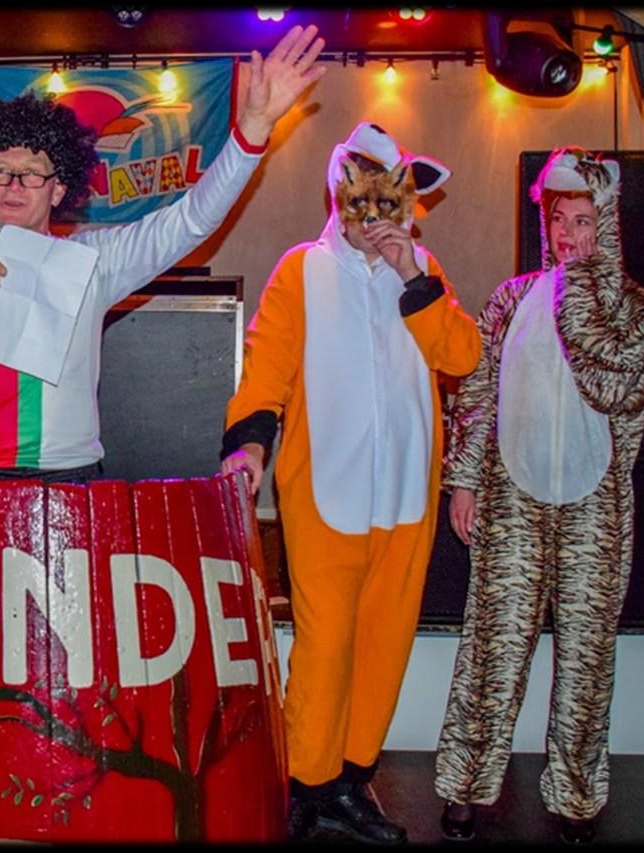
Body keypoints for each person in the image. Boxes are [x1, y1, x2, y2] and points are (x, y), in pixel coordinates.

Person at [0, 25, 326, 483]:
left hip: (68, 479)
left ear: (57, 190)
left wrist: (254, 128)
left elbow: (191, 220)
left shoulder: (93, 261)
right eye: (0, 172)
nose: (14, 185)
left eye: (32, 173)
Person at [220, 122, 481, 842]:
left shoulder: (421, 271)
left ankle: (348, 780)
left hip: (404, 495)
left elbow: (462, 356)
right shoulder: (301, 270)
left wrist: (414, 278)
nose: (373, 220)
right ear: (340, 194)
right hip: (326, 491)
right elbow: (266, 369)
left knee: (384, 642)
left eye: (387, 204)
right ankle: (304, 784)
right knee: (326, 642)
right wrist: (247, 448)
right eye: (361, 203)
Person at [433, 148, 644, 845]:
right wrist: (465, 480)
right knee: (493, 647)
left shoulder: (635, 310)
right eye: (559, 218)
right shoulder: (510, 300)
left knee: (587, 658)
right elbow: (477, 396)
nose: (568, 233)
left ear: (608, 225)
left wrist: (584, 289)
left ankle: (577, 794)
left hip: (595, 503)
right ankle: (467, 785)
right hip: (513, 495)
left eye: (584, 220)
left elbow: (611, 387)